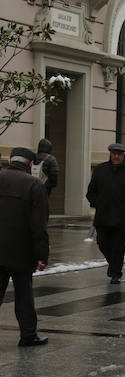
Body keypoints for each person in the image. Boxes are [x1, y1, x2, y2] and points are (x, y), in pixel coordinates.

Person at [0, 147, 49, 346]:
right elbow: (39, 225)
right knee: (24, 295)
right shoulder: (34, 185)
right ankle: (28, 335)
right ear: (30, 164)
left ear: (11, 160)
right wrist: (42, 255)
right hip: (22, 252)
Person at [85, 143, 125, 284]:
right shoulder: (100, 170)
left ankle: (116, 273)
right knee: (102, 243)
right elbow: (90, 192)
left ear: (123, 155)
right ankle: (113, 265)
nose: (116, 157)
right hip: (103, 215)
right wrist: (97, 202)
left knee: (118, 246)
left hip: (120, 216)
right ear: (110, 154)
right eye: (114, 154)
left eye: (119, 154)